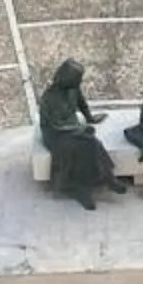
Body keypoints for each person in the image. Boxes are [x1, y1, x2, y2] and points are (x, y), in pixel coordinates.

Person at [36, 58, 118, 209]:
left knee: (91, 142)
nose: (80, 82)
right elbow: (56, 125)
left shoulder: (73, 89)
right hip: (55, 134)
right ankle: (81, 190)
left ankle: (108, 177)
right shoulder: (50, 98)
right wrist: (80, 131)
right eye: (77, 79)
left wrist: (90, 118)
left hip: (72, 129)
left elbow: (82, 104)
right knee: (80, 147)